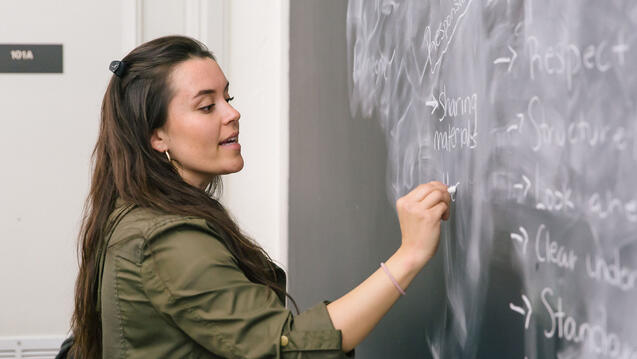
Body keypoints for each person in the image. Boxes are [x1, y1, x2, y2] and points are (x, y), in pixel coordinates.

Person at [68, 35, 451, 358]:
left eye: (228, 97)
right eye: (207, 106)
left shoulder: (138, 214)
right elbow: (291, 347)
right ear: (157, 136)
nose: (232, 114)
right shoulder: (163, 241)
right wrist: (410, 255)